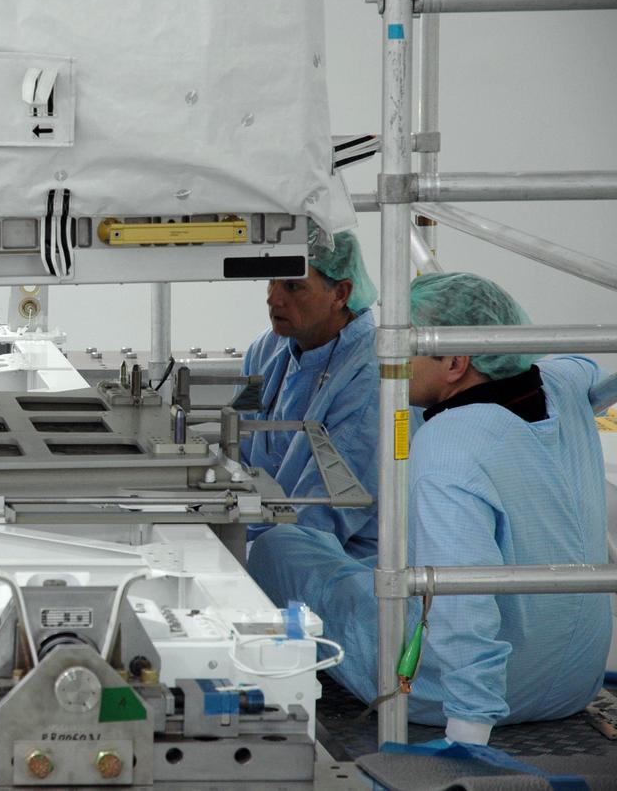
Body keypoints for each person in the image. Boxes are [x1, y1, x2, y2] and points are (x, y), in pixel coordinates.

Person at [248, 273, 611, 744]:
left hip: (468, 696)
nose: (386, 358)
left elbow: (465, 601)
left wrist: (468, 730)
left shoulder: (449, 444)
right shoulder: (564, 386)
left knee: (278, 548)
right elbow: (587, 366)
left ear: (456, 363)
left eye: (405, 346)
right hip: (578, 680)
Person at [240, 227, 380, 558]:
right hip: (263, 539)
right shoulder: (266, 349)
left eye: (293, 286)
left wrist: (245, 551)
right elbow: (239, 441)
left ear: (341, 293)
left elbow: (323, 517)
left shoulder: (370, 378)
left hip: (335, 563)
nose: (273, 297)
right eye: (271, 280)